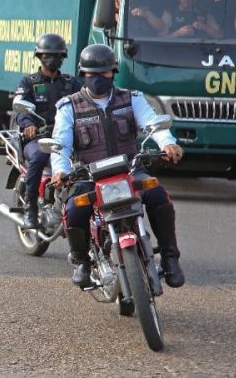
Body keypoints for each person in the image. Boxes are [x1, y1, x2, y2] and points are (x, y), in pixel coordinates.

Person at [51, 44, 185, 289]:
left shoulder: (131, 98)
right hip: (89, 176)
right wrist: (61, 170)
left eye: (104, 73)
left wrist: (167, 143)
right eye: (92, 74)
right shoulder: (69, 106)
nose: (98, 79)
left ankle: (169, 257)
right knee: (74, 208)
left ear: (113, 72)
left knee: (158, 195)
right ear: (83, 75)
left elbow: (153, 124)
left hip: (129, 171)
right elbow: (61, 144)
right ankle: (81, 261)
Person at [15, 33, 81, 229]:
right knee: (37, 157)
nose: (52, 60)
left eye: (57, 56)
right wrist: (28, 124)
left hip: (67, 138)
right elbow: (20, 108)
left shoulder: (71, 83)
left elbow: (86, 103)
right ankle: (31, 207)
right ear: (39, 57)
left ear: (63, 58)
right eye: (47, 56)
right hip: (39, 138)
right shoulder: (29, 83)